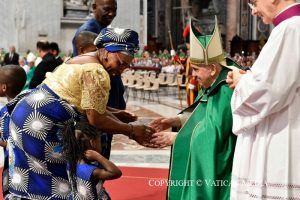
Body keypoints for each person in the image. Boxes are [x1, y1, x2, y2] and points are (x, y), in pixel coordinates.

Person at [8, 27, 154, 199]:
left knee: (37, 176)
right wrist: (130, 130)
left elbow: (80, 100)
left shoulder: (81, 59)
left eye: (127, 65)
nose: (122, 69)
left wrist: (115, 114)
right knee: (60, 179)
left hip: (25, 115)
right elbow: (95, 119)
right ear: (107, 52)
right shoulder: (97, 72)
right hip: (39, 124)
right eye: (121, 62)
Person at [149, 17, 239, 200]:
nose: (193, 74)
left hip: (223, 167)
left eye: (197, 69)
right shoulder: (212, 83)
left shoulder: (226, 88)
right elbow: (201, 113)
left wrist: (178, 137)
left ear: (213, 69)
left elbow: (213, 135)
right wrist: (176, 120)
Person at [226, 1, 300, 199]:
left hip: (281, 131)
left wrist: (241, 80)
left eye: (255, 2)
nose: (253, 10)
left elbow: (267, 91)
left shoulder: (290, 28)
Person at [72, 0, 125, 160]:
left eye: (114, 9)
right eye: (107, 9)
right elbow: (88, 73)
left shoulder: (103, 30)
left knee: (104, 150)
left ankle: (99, 185)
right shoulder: (89, 33)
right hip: (97, 105)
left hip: (107, 103)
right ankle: (94, 185)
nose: (111, 13)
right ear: (94, 7)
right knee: (95, 153)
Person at [67, 119, 122, 199]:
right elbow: (116, 173)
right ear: (92, 142)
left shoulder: (72, 159)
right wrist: (98, 156)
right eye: (99, 141)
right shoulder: (89, 170)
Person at [0, 65, 26, 199]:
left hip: (18, 168)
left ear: (4, 87)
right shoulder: (25, 107)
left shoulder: (10, 112)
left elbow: (17, 144)